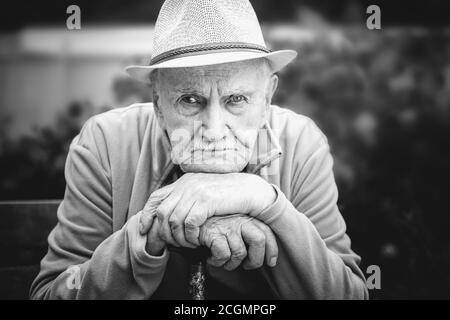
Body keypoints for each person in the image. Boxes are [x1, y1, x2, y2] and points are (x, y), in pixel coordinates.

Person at [30, 0, 369, 299]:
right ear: (158, 103)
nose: (214, 130)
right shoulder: (105, 143)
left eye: (237, 99)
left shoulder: (302, 143)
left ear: (267, 98)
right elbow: (51, 294)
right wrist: (151, 231)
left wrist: (264, 202)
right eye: (190, 100)